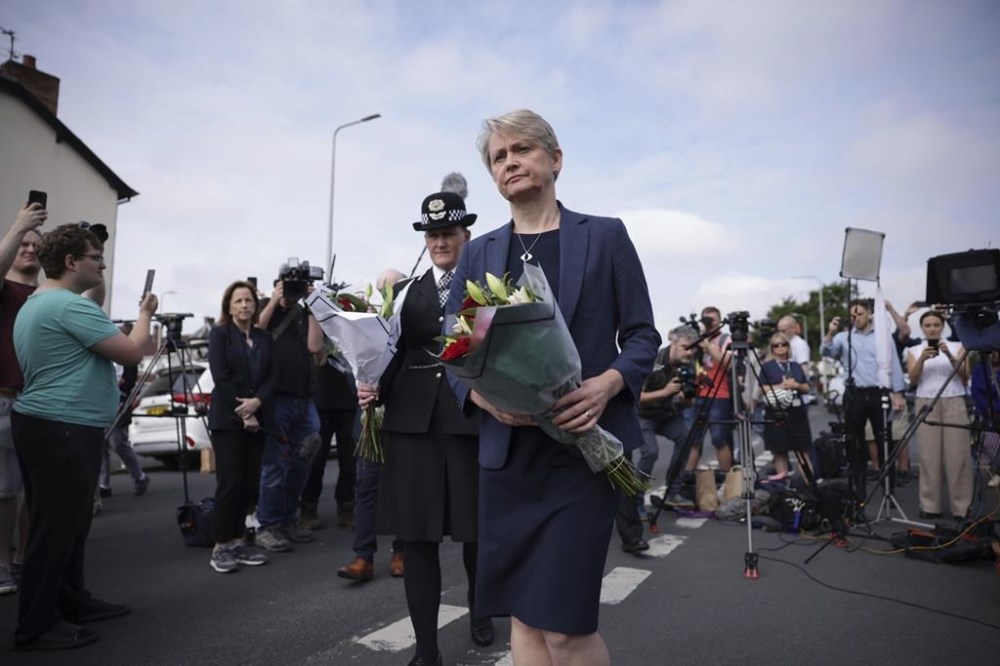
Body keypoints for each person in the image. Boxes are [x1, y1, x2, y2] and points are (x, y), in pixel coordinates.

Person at [447, 109, 659, 665]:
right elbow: (453, 353)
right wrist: (483, 396)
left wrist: (607, 384)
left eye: (522, 149)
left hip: (582, 455)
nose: (510, 161)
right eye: (499, 156)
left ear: (555, 159)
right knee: (524, 617)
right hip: (509, 457)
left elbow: (642, 335)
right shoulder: (478, 252)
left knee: (565, 628)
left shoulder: (606, 235)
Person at [10, 223, 157, 651]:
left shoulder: (45, 301)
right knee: (55, 529)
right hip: (63, 427)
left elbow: (96, 302)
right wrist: (145, 314)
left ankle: (71, 601)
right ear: (71, 262)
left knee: (69, 525)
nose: (103, 262)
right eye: (96, 257)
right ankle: (36, 624)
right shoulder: (67, 307)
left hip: (52, 425)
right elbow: (132, 351)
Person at [359, 192, 490, 666]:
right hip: (411, 426)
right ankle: (427, 649)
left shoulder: (486, 290)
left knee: (475, 533)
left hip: (468, 421)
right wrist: (370, 385)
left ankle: (481, 608)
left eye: (448, 234)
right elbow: (388, 352)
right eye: (432, 235)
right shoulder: (404, 293)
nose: (440, 242)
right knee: (417, 540)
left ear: (464, 237)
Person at [336, 268, 405, 583]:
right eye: (381, 289)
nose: (385, 293)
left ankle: (401, 551)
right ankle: (363, 556)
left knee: (401, 489)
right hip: (368, 419)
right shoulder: (365, 325)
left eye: (392, 287)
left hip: (402, 418)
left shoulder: (407, 322)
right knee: (366, 488)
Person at [206, 281, 275, 572]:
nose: (244, 305)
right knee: (230, 482)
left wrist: (257, 402)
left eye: (248, 300)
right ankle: (221, 545)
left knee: (250, 484)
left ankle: (238, 539)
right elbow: (221, 377)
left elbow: (273, 376)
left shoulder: (263, 337)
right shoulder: (220, 335)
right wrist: (244, 411)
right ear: (229, 306)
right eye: (238, 301)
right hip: (228, 420)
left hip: (257, 418)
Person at [254, 274, 325, 552]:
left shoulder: (305, 311)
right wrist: (274, 300)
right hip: (275, 400)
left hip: (303, 399)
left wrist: (315, 305)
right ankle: (267, 525)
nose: (293, 292)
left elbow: (315, 347)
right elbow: (255, 335)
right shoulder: (264, 306)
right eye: (289, 287)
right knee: (274, 465)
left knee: (301, 463)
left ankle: (288, 519)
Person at [0, 202, 46, 596]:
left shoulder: (47, 293)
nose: (30, 249)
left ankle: (25, 558)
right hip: (4, 398)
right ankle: (1, 564)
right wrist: (20, 225)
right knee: (4, 490)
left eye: (37, 244)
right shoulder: (5, 286)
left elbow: (93, 297)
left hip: (42, 401)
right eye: (23, 244)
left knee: (35, 488)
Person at [821, 299, 906, 503]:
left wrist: (898, 392)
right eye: (852, 315)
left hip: (878, 393)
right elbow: (826, 352)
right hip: (855, 394)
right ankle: (858, 491)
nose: (856, 318)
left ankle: (888, 490)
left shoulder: (882, 337)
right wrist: (831, 333)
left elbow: (894, 363)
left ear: (869, 313)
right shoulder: (844, 337)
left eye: (859, 314)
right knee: (855, 443)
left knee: (883, 440)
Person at [906, 310, 971, 520]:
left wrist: (951, 356)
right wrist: (922, 360)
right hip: (926, 401)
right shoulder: (915, 350)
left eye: (936, 324)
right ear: (922, 328)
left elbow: (965, 376)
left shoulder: (957, 346)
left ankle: (961, 507)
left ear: (942, 326)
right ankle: (930, 505)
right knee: (928, 456)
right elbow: (914, 380)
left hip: (953, 400)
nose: (932, 328)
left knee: (958, 455)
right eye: (928, 325)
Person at [300, 348, 357, 531]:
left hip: (349, 400)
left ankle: (347, 508)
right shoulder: (317, 321)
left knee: (350, 460)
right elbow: (314, 347)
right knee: (316, 461)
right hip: (321, 399)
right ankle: (308, 509)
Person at [685, 307, 734, 471]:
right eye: (707, 319)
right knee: (692, 440)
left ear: (720, 321)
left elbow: (728, 364)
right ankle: (686, 479)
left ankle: (727, 479)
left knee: (719, 439)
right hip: (697, 394)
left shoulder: (725, 339)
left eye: (713, 319)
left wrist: (709, 347)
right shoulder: (695, 339)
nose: (710, 323)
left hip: (719, 395)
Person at [759, 332, 814, 478]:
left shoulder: (795, 366)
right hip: (776, 411)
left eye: (783, 344)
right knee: (779, 451)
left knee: (803, 451)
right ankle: (783, 487)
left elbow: (807, 387)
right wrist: (780, 386)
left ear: (788, 346)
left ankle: (810, 486)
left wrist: (795, 385)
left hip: (797, 412)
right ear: (772, 348)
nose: (780, 347)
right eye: (776, 345)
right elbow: (762, 389)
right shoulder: (767, 366)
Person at [970, 350, 1000, 488]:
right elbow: (976, 390)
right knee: (986, 444)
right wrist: (989, 409)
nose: (994, 355)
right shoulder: (981, 368)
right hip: (986, 413)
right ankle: (993, 469)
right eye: (991, 352)